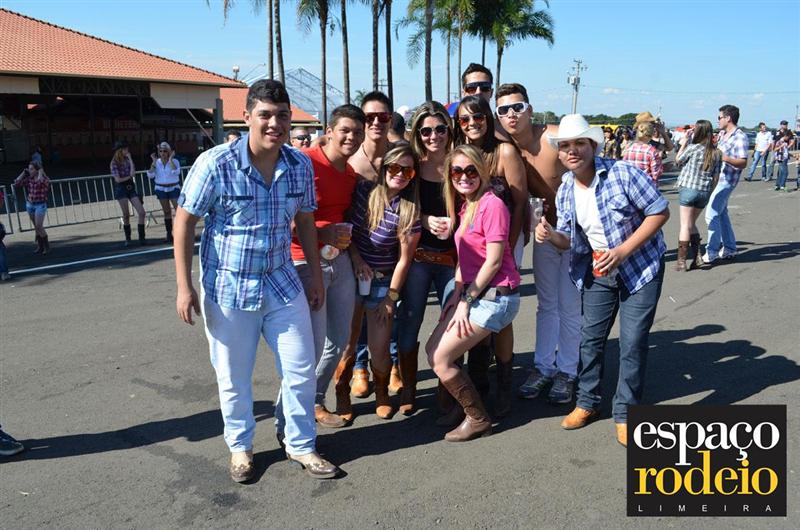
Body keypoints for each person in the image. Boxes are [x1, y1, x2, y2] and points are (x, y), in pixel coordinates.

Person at [173, 79, 339, 483]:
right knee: (233, 377)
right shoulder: (216, 163)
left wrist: (316, 277)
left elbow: (305, 222)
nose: (274, 124)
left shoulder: (298, 165)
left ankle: (300, 444)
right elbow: (184, 222)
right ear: (247, 117)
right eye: (265, 115)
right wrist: (184, 286)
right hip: (228, 288)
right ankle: (241, 448)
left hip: (282, 282)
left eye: (282, 116)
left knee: (300, 369)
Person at [537, 114, 669, 447]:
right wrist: (550, 234)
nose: (572, 150)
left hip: (640, 267)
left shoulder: (623, 173)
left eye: (579, 143)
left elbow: (659, 211)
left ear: (593, 145)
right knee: (590, 339)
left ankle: (625, 413)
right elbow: (568, 239)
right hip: (600, 270)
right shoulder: (566, 188)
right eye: (565, 145)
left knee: (632, 342)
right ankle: (587, 402)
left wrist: (622, 251)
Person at [426, 144, 521, 441]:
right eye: (457, 171)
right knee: (432, 351)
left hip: (496, 297)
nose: (464, 176)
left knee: (442, 358)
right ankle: (465, 405)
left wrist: (466, 302)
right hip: (474, 293)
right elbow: (465, 259)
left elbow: (494, 261)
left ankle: (477, 418)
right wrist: (457, 293)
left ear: (482, 171)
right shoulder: (467, 205)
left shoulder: (492, 205)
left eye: (470, 170)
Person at [495, 83, 581, 405]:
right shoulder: (506, 149)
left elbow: (590, 169)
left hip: (577, 236)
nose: (511, 114)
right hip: (546, 232)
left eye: (517, 107)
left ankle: (567, 371)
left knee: (569, 306)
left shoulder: (554, 138)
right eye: (503, 109)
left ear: (530, 110)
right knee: (547, 304)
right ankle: (544, 367)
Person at [286, 104, 365, 429]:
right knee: (310, 346)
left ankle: (315, 400)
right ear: (329, 131)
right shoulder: (304, 163)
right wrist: (322, 233)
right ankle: (294, 418)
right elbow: (284, 221)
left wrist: (355, 256)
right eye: (344, 130)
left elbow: (345, 221)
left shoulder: (350, 175)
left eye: (357, 132)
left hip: (340, 260)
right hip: (304, 261)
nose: (351, 137)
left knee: (340, 339)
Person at [453, 95, 526, 417]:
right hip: (473, 239)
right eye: (465, 119)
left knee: (501, 318)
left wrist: (508, 248)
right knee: (477, 310)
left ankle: (504, 385)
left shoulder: (504, 151)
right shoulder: (460, 150)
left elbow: (520, 202)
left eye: (478, 117)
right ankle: (478, 380)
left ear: (488, 118)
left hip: (504, 241)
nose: (472, 124)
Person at [347, 144, 421, 419]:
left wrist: (391, 297)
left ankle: (381, 392)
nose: (400, 174)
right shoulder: (363, 192)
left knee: (379, 347)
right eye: (394, 168)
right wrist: (357, 259)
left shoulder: (409, 210)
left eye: (407, 171)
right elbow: (346, 231)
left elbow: (404, 260)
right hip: (351, 276)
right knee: (347, 343)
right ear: (383, 169)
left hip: (382, 282)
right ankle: (342, 392)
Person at [392, 101, 456, 417]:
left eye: (440, 129)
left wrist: (456, 222)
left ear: (449, 130)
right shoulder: (412, 165)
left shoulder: (460, 162)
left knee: (452, 323)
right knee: (410, 320)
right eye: (426, 130)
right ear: (417, 133)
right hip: (417, 256)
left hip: (452, 259)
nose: (434, 136)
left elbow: (476, 204)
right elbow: (394, 202)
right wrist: (425, 218)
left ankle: (448, 385)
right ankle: (408, 387)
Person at [344, 91, 402, 396]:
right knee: (355, 320)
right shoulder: (350, 161)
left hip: (394, 255)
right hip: (354, 253)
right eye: (370, 117)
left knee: (388, 313)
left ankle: (392, 366)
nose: (377, 122)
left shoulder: (400, 157)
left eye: (383, 116)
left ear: (390, 119)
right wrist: (354, 256)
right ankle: (358, 369)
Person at [702, 105, 748, 264]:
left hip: (727, 180)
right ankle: (729, 247)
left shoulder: (740, 137)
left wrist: (725, 158)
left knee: (711, 213)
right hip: (717, 178)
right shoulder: (722, 134)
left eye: (720, 117)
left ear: (728, 118)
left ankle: (712, 251)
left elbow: (743, 162)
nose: (718, 120)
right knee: (722, 214)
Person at [674, 120, 722, 271]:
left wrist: (684, 143)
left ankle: (681, 261)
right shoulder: (717, 153)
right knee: (691, 223)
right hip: (704, 192)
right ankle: (697, 258)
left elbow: (678, 161)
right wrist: (709, 192)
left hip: (689, 188)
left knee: (685, 225)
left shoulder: (693, 148)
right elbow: (716, 177)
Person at [110, 141, 146, 246]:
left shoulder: (127, 160)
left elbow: (133, 172)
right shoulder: (114, 163)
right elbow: (118, 179)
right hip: (121, 188)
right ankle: (128, 238)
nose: (127, 150)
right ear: (120, 150)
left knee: (142, 212)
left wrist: (130, 159)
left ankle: (142, 238)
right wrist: (129, 177)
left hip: (130, 187)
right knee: (126, 215)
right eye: (125, 149)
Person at [147, 142, 181, 242]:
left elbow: (176, 172)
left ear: (169, 152)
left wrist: (170, 160)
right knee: (166, 212)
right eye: (161, 151)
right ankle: (169, 234)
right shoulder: (156, 162)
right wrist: (153, 161)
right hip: (161, 189)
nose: (162, 153)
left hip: (174, 187)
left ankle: (179, 232)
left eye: (165, 151)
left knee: (178, 210)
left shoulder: (175, 161)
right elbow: (150, 175)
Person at [14, 160, 51, 254]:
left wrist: (41, 172)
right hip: (30, 204)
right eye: (29, 169)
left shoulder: (45, 179)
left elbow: (40, 183)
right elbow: (17, 183)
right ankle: (40, 246)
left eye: (31, 169)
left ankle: (47, 247)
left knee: (39, 226)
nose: (30, 171)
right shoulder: (29, 179)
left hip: (40, 205)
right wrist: (23, 172)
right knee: (36, 227)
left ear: (37, 170)